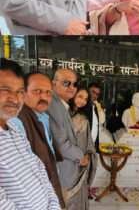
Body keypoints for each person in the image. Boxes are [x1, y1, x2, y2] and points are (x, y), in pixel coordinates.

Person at [0, 59, 61, 210]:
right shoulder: (20, 122)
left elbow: (40, 170)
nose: (15, 99)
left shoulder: (14, 130)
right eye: (5, 90)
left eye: (19, 92)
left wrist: (54, 206)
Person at [15, 72, 65, 208]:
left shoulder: (43, 117)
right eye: (37, 91)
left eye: (48, 92)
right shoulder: (17, 121)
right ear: (23, 93)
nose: (44, 97)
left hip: (48, 188)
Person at [47, 68, 89, 208]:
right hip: (63, 170)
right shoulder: (53, 105)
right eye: (66, 83)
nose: (72, 87)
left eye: (74, 84)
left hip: (67, 168)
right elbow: (60, 144)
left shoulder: (61, 105)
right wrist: (81, 156)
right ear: (54, 83)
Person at [66, 87, 96, 210]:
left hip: (82, 166)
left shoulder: (83, 119)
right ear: (72, 95)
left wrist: (88, 155)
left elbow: (89, 142)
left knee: (79, 198)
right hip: (66, 165)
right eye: (80, 96)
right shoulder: (62, 115)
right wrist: (77, 157)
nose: (83, 101)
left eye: (85, 99)